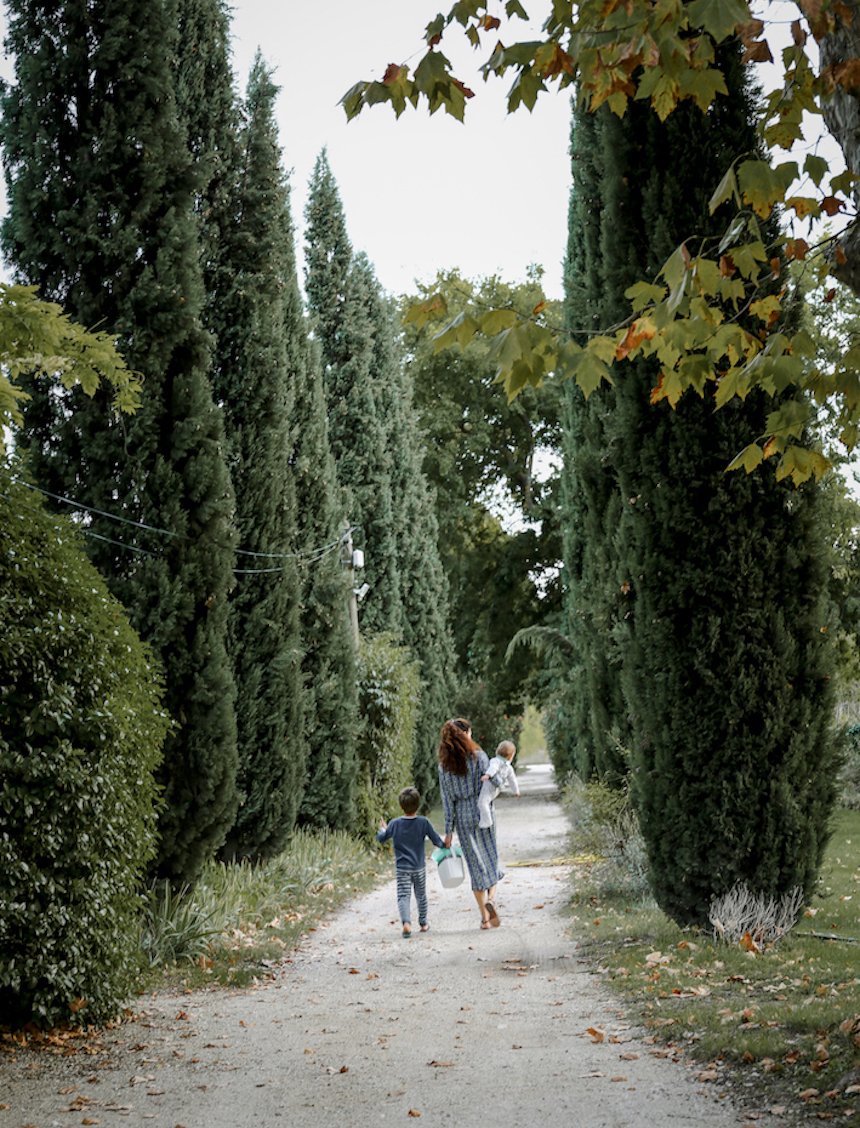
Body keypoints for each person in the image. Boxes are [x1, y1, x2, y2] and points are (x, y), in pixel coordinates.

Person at [437, 717, 504, 930]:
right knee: (490, 858)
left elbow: (448, 801)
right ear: (466, 734)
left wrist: (448, 832)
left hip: (463, 816)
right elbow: (494, 781)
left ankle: (484, 917)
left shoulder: (444, 766)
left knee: (475, 866)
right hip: (483, 812)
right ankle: (492, 898)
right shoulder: (480, 757)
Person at [377, 786, 445, 938]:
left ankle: (406, 923)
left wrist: (382, 829)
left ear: (401, 806)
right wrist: (445, 844)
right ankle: (423, 922)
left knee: (403, 895)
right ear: (418, 804)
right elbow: (436, 841)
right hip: (419, 867)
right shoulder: (423, 822)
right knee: (421, 895)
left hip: (402, 868)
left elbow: (382, 838)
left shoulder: (394, 824)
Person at [477, 739, 520, 829]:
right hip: (498, 789)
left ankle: (486, 820)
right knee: (487, 801)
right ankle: (486, 818)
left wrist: (487, 775)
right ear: (511, 756)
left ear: (497, 751)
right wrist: (516, 791)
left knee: (482, 802)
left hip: (490, 785)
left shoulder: (495, 761)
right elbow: (513, 780)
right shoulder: (509, 767)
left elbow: (493, 768)